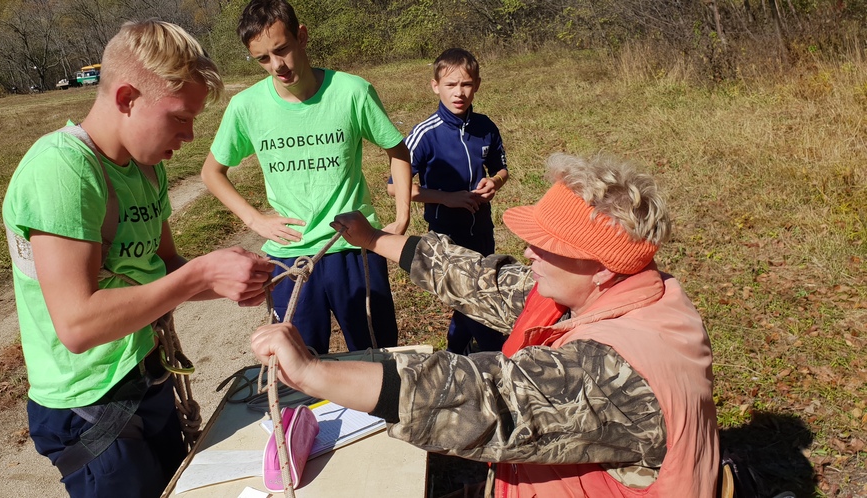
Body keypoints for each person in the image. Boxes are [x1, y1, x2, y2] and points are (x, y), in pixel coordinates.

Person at [252, 152, 720, 497]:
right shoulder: (609, 288)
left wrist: (313, 373)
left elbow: (486, 400)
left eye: (547, 245)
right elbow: (485, 283)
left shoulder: (622, 370)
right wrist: (373, 238)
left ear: (601, 267)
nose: (530, 252)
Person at [2, 21, 274, 498]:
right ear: (127, 98)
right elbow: (78, 326)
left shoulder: (145, 169)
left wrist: (229, 281)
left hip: (147, 377)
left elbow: (162, 266)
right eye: (180, 117)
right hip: (91, 405)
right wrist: (200, 274)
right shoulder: (62, 170)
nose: (190, 135)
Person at [201, 0, 413, 354]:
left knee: (377, 358)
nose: (277, 66)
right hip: (289, 258)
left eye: (282, 49)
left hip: (352, 248)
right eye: (263, 59)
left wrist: (402, 217)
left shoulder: (351, 91)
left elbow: (398, 151)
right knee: (297, 363)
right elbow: (212, 172)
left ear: (301, 36)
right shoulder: (246, 107)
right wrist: (255, 220)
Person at [389, 47, 509, 354]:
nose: (459, 93)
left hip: (481, 229)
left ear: (477, 85)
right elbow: (394, 187)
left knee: (472, 296)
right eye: (451, 85)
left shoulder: (485, 127)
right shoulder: (425, 133)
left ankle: (456, 353)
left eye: (466, 84)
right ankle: (496, 354)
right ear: (435, 86)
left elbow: (501, 169)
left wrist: (494, 182)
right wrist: (446, 198)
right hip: (447, 235)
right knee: (473, 300)